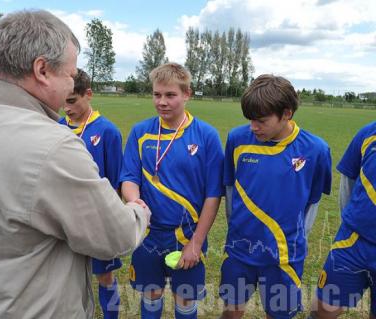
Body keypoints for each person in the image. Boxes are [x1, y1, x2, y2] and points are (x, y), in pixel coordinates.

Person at [0, 10, 150, 319]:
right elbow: (116, 236)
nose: (72, 85)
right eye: (69, 75)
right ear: (42, 69)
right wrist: (138, 213)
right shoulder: (52, 145)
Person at [219, 74, 332, 319]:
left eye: (261, 121)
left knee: (279, 314)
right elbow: (229, 190)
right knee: (231, 310)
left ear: (287, 113)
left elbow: (312, 202)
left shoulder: (316, 150)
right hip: (240, 250)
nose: (253, 127)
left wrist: (294, 238)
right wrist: (236, 229)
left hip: (284, 255)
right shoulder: (237, 139)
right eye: (250, 120)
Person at [120, 62, 225, 319]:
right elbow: (129, 179)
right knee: (150, 295)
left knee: (185, 299)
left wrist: (196, 243)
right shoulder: (141, 132)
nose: (162, 102)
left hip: (186, 235)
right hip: (148, 234)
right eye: (157, 94)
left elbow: (214, 195)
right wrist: (136, 203)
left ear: (187, 94)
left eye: (170, 95)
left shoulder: (206, 136)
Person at [59, 68, 124, 319]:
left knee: (105, 277)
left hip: (98, 220)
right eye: (64, 101)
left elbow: (115, 183)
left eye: (72, 101)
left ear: (88, 94)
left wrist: (109, 222)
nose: (67, 108)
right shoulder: (56, 127)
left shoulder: (108, 131)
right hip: (63, 218)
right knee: (68, 278)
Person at [309, 121, 376, 319]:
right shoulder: (369, 133)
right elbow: (349, 181)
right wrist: (353, 222)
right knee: (323, 308)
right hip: (354, 242)